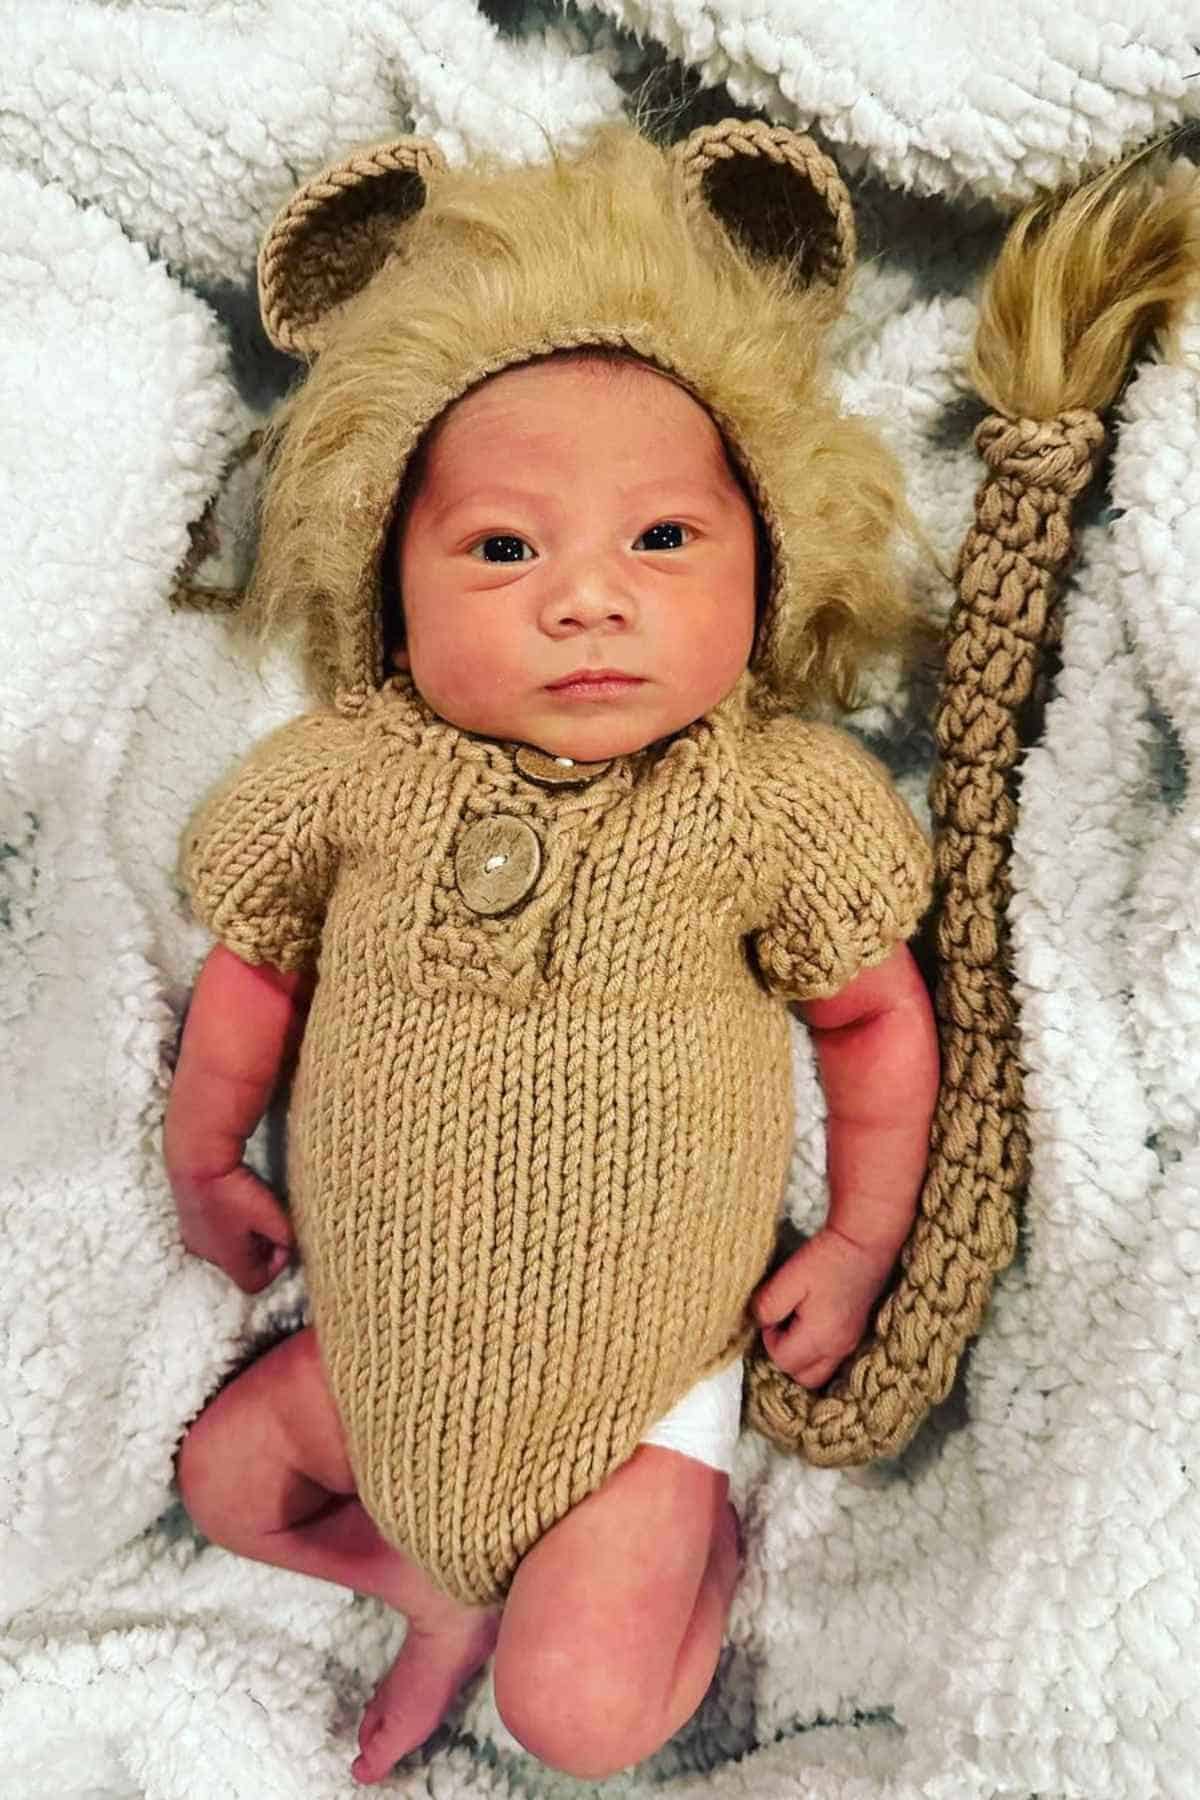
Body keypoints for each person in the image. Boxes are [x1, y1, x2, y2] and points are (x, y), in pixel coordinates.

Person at [163, 120, 940, 1785]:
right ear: (391, 581)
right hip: (375, 1366)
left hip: (632, 1403)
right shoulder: (351, 771)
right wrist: (204, 1148)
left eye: (662, 542)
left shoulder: (771, 797)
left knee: (579, 1720)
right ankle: (424, 1590)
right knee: (226, 1482)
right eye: (505, 549)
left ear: (769, 562)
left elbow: (875, 1023)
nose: (587, 599)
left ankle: (672, 1564)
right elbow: (258, 967)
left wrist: (866, 1238)